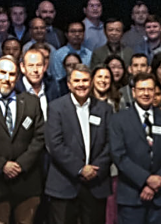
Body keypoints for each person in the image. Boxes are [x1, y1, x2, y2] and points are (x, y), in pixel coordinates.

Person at [0, 56, 46, 224]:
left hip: (27, 181)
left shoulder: (31, 102)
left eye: (12, 74)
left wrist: (21, 165)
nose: (7, 78)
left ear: (17, 78)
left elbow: (40, 137)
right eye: (3, 73)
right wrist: (2, 165)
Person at [110, 72, 161, 224]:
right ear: (133, 92)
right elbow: (119, 156)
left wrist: (157, 181)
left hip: (160, 196)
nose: (146, 93)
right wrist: (146, 180)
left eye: (150, 89)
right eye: (142, 89)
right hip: (131, 196)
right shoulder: (119, 120)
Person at [45, 63, 113, 224]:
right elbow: (55, 145)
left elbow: (112, 143)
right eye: (76, 81)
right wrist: (81, 169)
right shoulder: (56, 108)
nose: (81, 84)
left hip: (96, 184)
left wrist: (96, 169)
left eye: (85, 80)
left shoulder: (105, 109)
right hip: (64, 184)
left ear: (91, 83)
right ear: (69, 84)